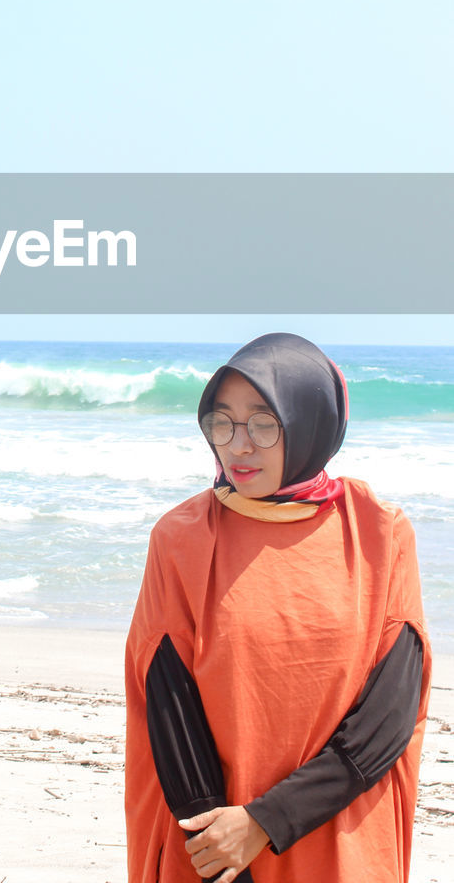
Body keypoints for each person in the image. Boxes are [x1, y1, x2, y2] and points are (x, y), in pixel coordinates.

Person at [125, 332, 430, 883]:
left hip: (338, 832)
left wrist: (267, 822)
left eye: (265, 423)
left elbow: (390, 714)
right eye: (223, 422)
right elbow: (168, 701)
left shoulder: (380, 532)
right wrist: (221, 845)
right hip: (213, 844)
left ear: (310, 421)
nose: (239, 445)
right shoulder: (181, 538)